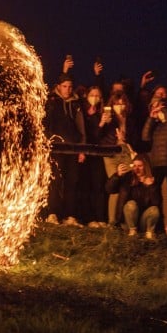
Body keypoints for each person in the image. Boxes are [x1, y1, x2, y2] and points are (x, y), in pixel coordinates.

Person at [43, 73, 85, 225]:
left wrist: (82, 148)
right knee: (55, 181)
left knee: (71, 182)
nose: (67, 89)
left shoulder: (76, 104)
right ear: (59, 87)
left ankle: (70, 215)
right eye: (65, 86)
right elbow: (45, 124)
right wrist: (48, 143)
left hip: (73, 148)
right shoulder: (52, 101)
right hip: (56, 148)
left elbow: (81, 128)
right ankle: (53, 213)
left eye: (70, 87)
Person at [141, 86, 167, 238]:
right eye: (154, 106)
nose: (156, 108)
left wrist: (165, 112)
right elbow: (145, 137)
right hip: (156, 162)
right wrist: (151, 118)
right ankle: (155, 227)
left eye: (159, 106)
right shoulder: (154, 123)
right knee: (154, 194)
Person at [98, 90, 135, 227]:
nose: (120, 107)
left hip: (125, 152)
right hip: (111, 153)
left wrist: (125, 138)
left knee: (125, 185)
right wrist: (102, 123)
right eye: (116, 104)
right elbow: (97, 136)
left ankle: (122, 220)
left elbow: (135, 138)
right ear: (112, 105)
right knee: (114, 184)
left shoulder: (130, 119)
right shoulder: (109, 118)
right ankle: (111, 221)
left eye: (122, 104)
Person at [105, 153, 161, 239]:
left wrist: (151, 187)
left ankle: (149, 233)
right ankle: (132, 232)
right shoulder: (128, 177)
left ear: (146, 167)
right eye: (134, 166)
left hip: (142, 221)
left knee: (154, 210)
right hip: (128, 221)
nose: (136, 169)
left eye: (140, 166)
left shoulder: (152, 180)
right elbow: (110, 190)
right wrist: (117, 175)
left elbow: (156, 203)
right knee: (131, 204)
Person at [76, 85, 109, 227]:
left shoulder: (102, 113)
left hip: (98, 154)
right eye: (92, 95)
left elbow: (101, 137)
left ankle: (100, 217)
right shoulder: (82, 111)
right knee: (86, 186)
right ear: (87, 96)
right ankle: (88, 218)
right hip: (85, 153)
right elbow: (87, 134)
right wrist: (100, 124)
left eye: (97, 96)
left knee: (98, 186)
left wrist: (104, 123)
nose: (95, 98)